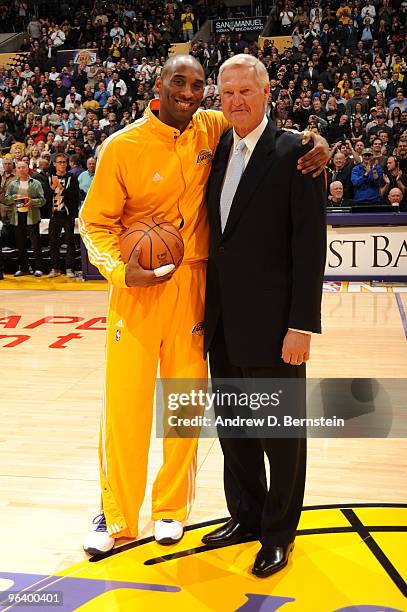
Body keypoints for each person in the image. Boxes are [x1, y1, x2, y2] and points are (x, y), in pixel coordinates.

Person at [79, 54, 329, 555]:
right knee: (130, 407)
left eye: (199, 86)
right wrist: (120, 269)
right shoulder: (125, 145)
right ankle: (118, 512)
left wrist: (318, 140)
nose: (192, 94)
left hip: (201, 294)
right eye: (181, 83)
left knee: (188, 409)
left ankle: (175, 508)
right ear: (159, 85)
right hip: (139, 290)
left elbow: (306, 239)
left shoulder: (216, 131)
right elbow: (94, 223)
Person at [201, 54, 326, 578]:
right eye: (227, 93)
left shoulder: (295, 152)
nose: (236, 101)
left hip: (276, 327)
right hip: (224, 321)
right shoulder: (218, 146)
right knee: (236, 431)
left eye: (245, 92)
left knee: (280, 436)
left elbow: (309, 246)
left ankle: (279, 533)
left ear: (267, 92)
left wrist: (302, 324)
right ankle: (246, 516)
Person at [5, 160, 45, 277]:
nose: (21, 169)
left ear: (28, 169)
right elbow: (6, 199)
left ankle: (39, 268)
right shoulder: (12, 184)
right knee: (20, 244)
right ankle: (23, 268)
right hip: (18, 217)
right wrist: (14, 197)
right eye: (19, 168)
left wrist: (32, 201)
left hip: (32, 216)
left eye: (23, 167)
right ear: (16, 170)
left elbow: (42, 200)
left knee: (35, 243)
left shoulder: (35, 183)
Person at [48, 153, 80, 278]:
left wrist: (62, 188)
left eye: (64, 162)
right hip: (54, 214)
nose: (62, 164)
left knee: (69, 242)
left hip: (67, 215)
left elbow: (75, 196)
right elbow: (45, 196)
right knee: (53, 242)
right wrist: (52, 189)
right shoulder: (50, 177)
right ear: (54, 164)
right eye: (59, 162)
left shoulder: (71, 177)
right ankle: (55, 268)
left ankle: (69, 268)